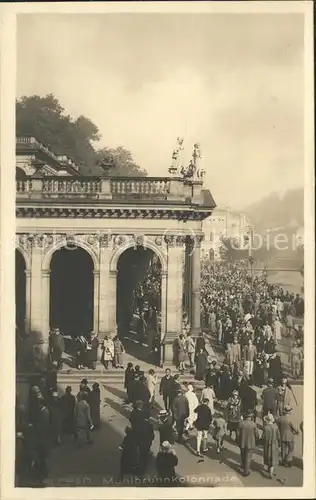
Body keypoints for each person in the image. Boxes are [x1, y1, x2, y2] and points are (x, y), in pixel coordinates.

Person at [33, 397, 51, 484]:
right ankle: (42, 472)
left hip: (42, 438)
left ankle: (43, 473)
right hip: (42, 438)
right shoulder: (44, 411)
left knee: (41, 456)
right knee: (41, 456)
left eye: (38, 403)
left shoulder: (45, 412)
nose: (37, 405)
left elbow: (42, 425)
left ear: (41, 403)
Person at [238, 410, 259, 477]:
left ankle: (244, 466)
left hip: (242, 442)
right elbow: (257, 435)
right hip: (251, 442)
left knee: (243, 454)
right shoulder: (253, 424)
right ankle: (246, 471)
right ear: (250, 417)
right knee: (248, 456)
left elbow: (237, 433)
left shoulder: (241, 423)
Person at [262, 413, 280, 479]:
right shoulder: (275, 427)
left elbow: (263, 436)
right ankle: (270, 472)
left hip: (267, 444)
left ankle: (269, 469)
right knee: (273, 458)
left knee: (268, 457)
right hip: (274, 444)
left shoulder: (265, 428)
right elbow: (278, 436)